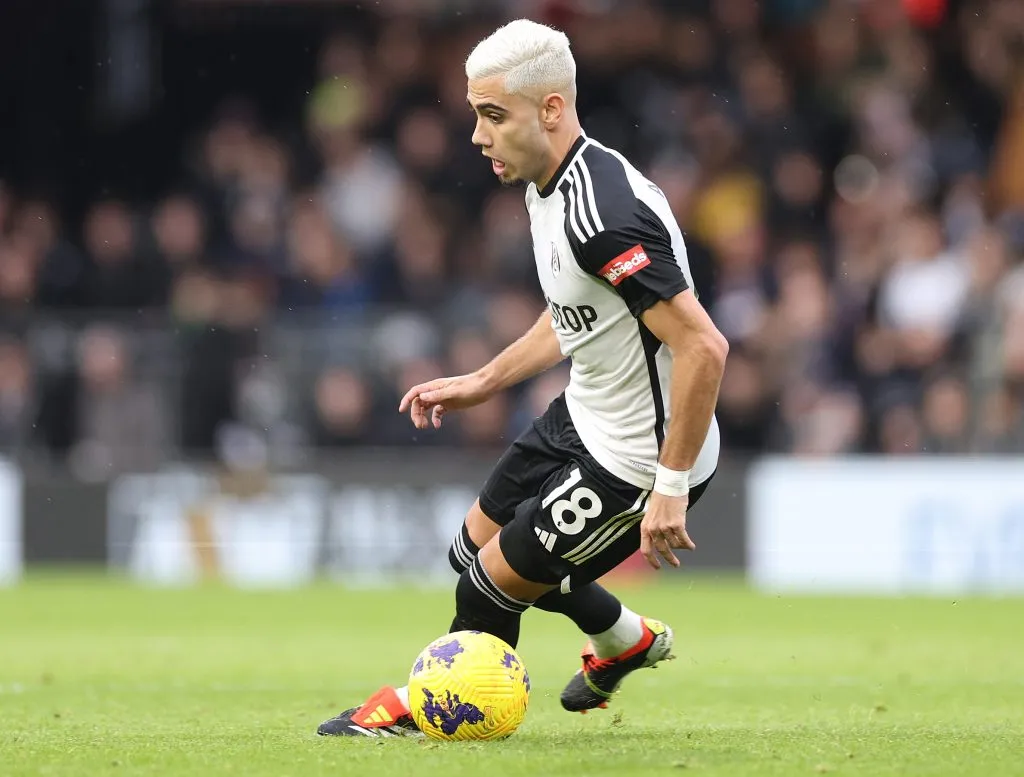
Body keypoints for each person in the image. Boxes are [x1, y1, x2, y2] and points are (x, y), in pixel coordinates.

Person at [318, 18, 727, 737]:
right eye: (477, 113)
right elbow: (576, 312)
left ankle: (437, 707)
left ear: (551, 109)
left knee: (494, 579)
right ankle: (624, 636)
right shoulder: (551, 183)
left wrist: (670, 485)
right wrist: (485, 379)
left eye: (492, 115)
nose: (478, 136)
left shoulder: (604, 215)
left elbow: (704, 347)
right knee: (472, 550)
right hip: (585, 415)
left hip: (637, 456)